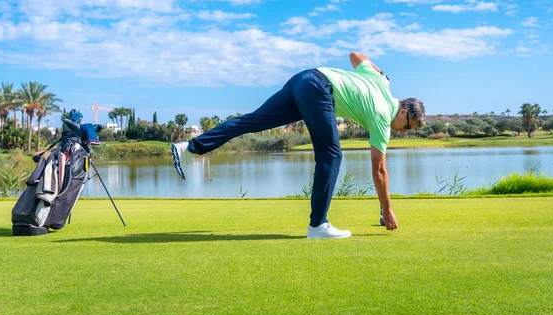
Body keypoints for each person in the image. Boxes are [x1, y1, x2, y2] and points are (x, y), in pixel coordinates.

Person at [171, 52, 425, 239]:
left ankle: (190, 147)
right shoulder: (382, 116)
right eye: (408, 125)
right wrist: (388, 211)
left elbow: (356, 56)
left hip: (304, 78)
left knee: (253, 121)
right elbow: (379, 170)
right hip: (319, 89)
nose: (405, 130)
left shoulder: (382, 82)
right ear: (403, 110)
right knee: (332, 156)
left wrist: (380, 71)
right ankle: (318, 225)